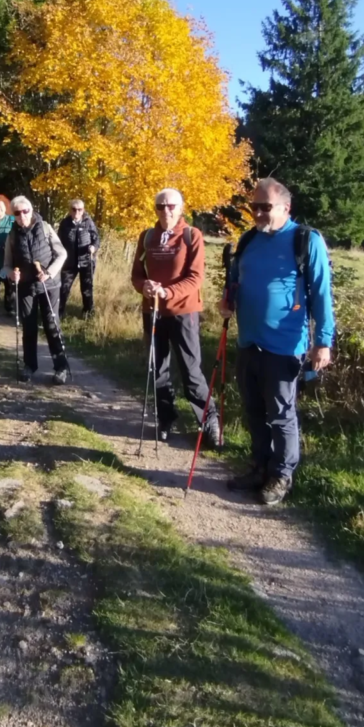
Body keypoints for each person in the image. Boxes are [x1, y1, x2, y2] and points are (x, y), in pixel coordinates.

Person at [219, 178, 334, 505]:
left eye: (264, 207)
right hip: (249, 340)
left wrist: (323, 341)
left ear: (286, 208)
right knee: (253, 409)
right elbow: (235, 278)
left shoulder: (305, 241)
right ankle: (259, 466)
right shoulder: (248, 240)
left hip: (285, 345)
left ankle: (282, 476)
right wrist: (227, 300)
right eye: (253, 207)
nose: (257, 213)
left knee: (281, 414)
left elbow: (323, 294)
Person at [131, 188, 220, 446]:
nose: (165, 210)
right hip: (153, 311)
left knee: (191, 371)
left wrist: (168, 291)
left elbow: (195, 277)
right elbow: (137, 274)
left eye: (170, 206)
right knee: (157, 369)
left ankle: (209, 421)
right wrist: (144, 286)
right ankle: (165, 418)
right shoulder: (147, 236)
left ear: (181, 208)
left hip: (184, 312)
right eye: (160, 206)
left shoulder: (192, 235)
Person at [2, 196, 70, 384]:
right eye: (17, 213)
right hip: (26, 287)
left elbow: (62, 253)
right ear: (13, 215)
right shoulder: (12, 235)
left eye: (25, 211)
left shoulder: (46, 228)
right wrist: (11, 275)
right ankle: (29, 366)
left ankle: (60, 367)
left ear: (31, 211)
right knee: (29, 327)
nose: (22, 215)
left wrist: (49, 273)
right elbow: (6, 265)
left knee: (51, 325)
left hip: (50, 285)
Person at [58, 199, 100, 318]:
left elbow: (96, 238)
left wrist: (93, 247)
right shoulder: (65, 223)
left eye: (79, 209)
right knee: (63, 288)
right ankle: (58, 313)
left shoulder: (88, 222)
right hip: (69, 262)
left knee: (87, 288)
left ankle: (88, 313)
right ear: (70, 210)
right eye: (74, 209)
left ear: (83, 211)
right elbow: (58, 242)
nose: (76, 212)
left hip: (86, 260)